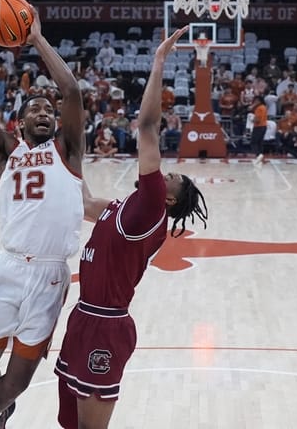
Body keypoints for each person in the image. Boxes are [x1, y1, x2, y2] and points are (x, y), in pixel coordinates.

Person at [54, 27, 208, 429]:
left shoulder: (151, 208)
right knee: (67, 422)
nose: (168, 171)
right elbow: (85, 202)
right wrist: (67, 151)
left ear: (170, 198)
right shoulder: (123, 207)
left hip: (107, 325)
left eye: (173, 176)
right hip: (83, 317)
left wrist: (158, 63)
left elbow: (146, 128)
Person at [0, 3, 85, 429]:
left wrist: (37, 39)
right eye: (35, 109)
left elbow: (74, 93)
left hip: (48, 274)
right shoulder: (7, 152)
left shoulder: (69, 150)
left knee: (19, 378)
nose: (45, 112)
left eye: (49, 109)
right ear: (20, 121)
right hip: (7, 268)